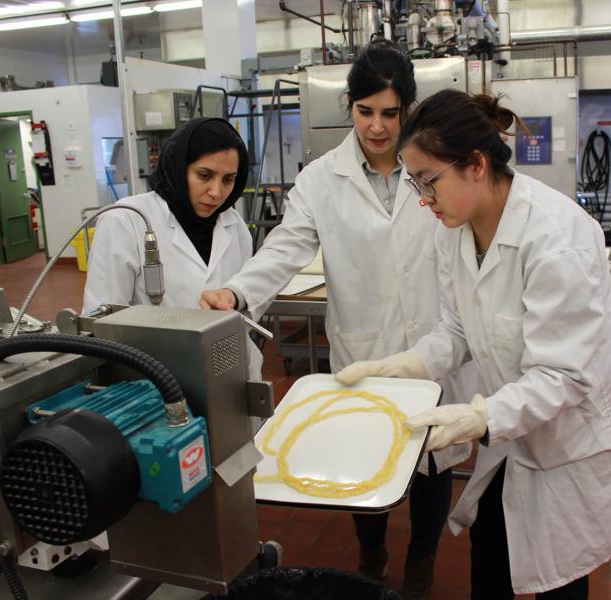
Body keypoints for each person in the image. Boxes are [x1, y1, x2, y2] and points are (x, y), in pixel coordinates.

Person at [336, 90, 611, 599]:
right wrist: (406, 364)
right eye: (416, 183)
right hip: (513, 426)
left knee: (561, 579)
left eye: (429, 181)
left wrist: (480, 418)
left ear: (476, 164)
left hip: (573, 436)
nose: (423, 198)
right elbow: (458, 330)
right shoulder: (454, 229)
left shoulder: (557, 238)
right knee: (491, 550)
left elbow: (563, 376)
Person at [199, 41, 480, 599]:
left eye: (390, 113)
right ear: (349, 108)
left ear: (408, 110)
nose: (378, 127)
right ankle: (372, 553)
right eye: (365, 111)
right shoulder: (323, 178)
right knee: (363, 450)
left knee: (434, 457)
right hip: (365, 343)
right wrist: (237, 292)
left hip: (434, 337)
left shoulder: (432, 166)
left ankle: (421, 560)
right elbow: (287, 245)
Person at [82, 116, 263, 381]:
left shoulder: (232, 223)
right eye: (205, 175)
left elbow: (244, 295)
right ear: (179, 167)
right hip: (155, 378)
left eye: (228, 179)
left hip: (231, 371)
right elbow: (102, 320)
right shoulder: (126, 220)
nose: (216, 192)